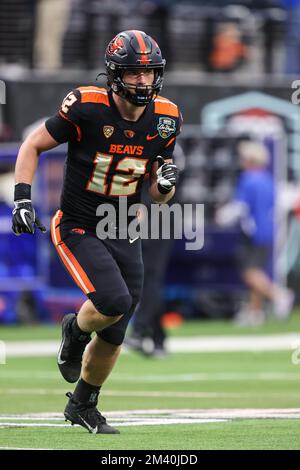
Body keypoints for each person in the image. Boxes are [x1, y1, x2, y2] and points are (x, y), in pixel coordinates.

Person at [11, 30, 182, 434]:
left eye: (149, 73)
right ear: (115, 74)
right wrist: (22, 199)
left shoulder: (167, 117)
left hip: (123, 228)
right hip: (78, 223)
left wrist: (167, 185)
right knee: (112, 300)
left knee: (117, 329)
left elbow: (158, 198)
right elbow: (32, 145)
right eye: (134, 73)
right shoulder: (87, 106)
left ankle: (83, 404)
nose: (143, 81)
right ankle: (74, 328)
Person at [216, 140, 294, 326]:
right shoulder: (268, 179)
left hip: (253, 232)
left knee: (249, 273)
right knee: (257, 271)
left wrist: (221, 216)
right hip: (269, 230)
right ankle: (255, 312)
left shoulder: (248, 178)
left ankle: (279, 295)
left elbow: (240, 207)